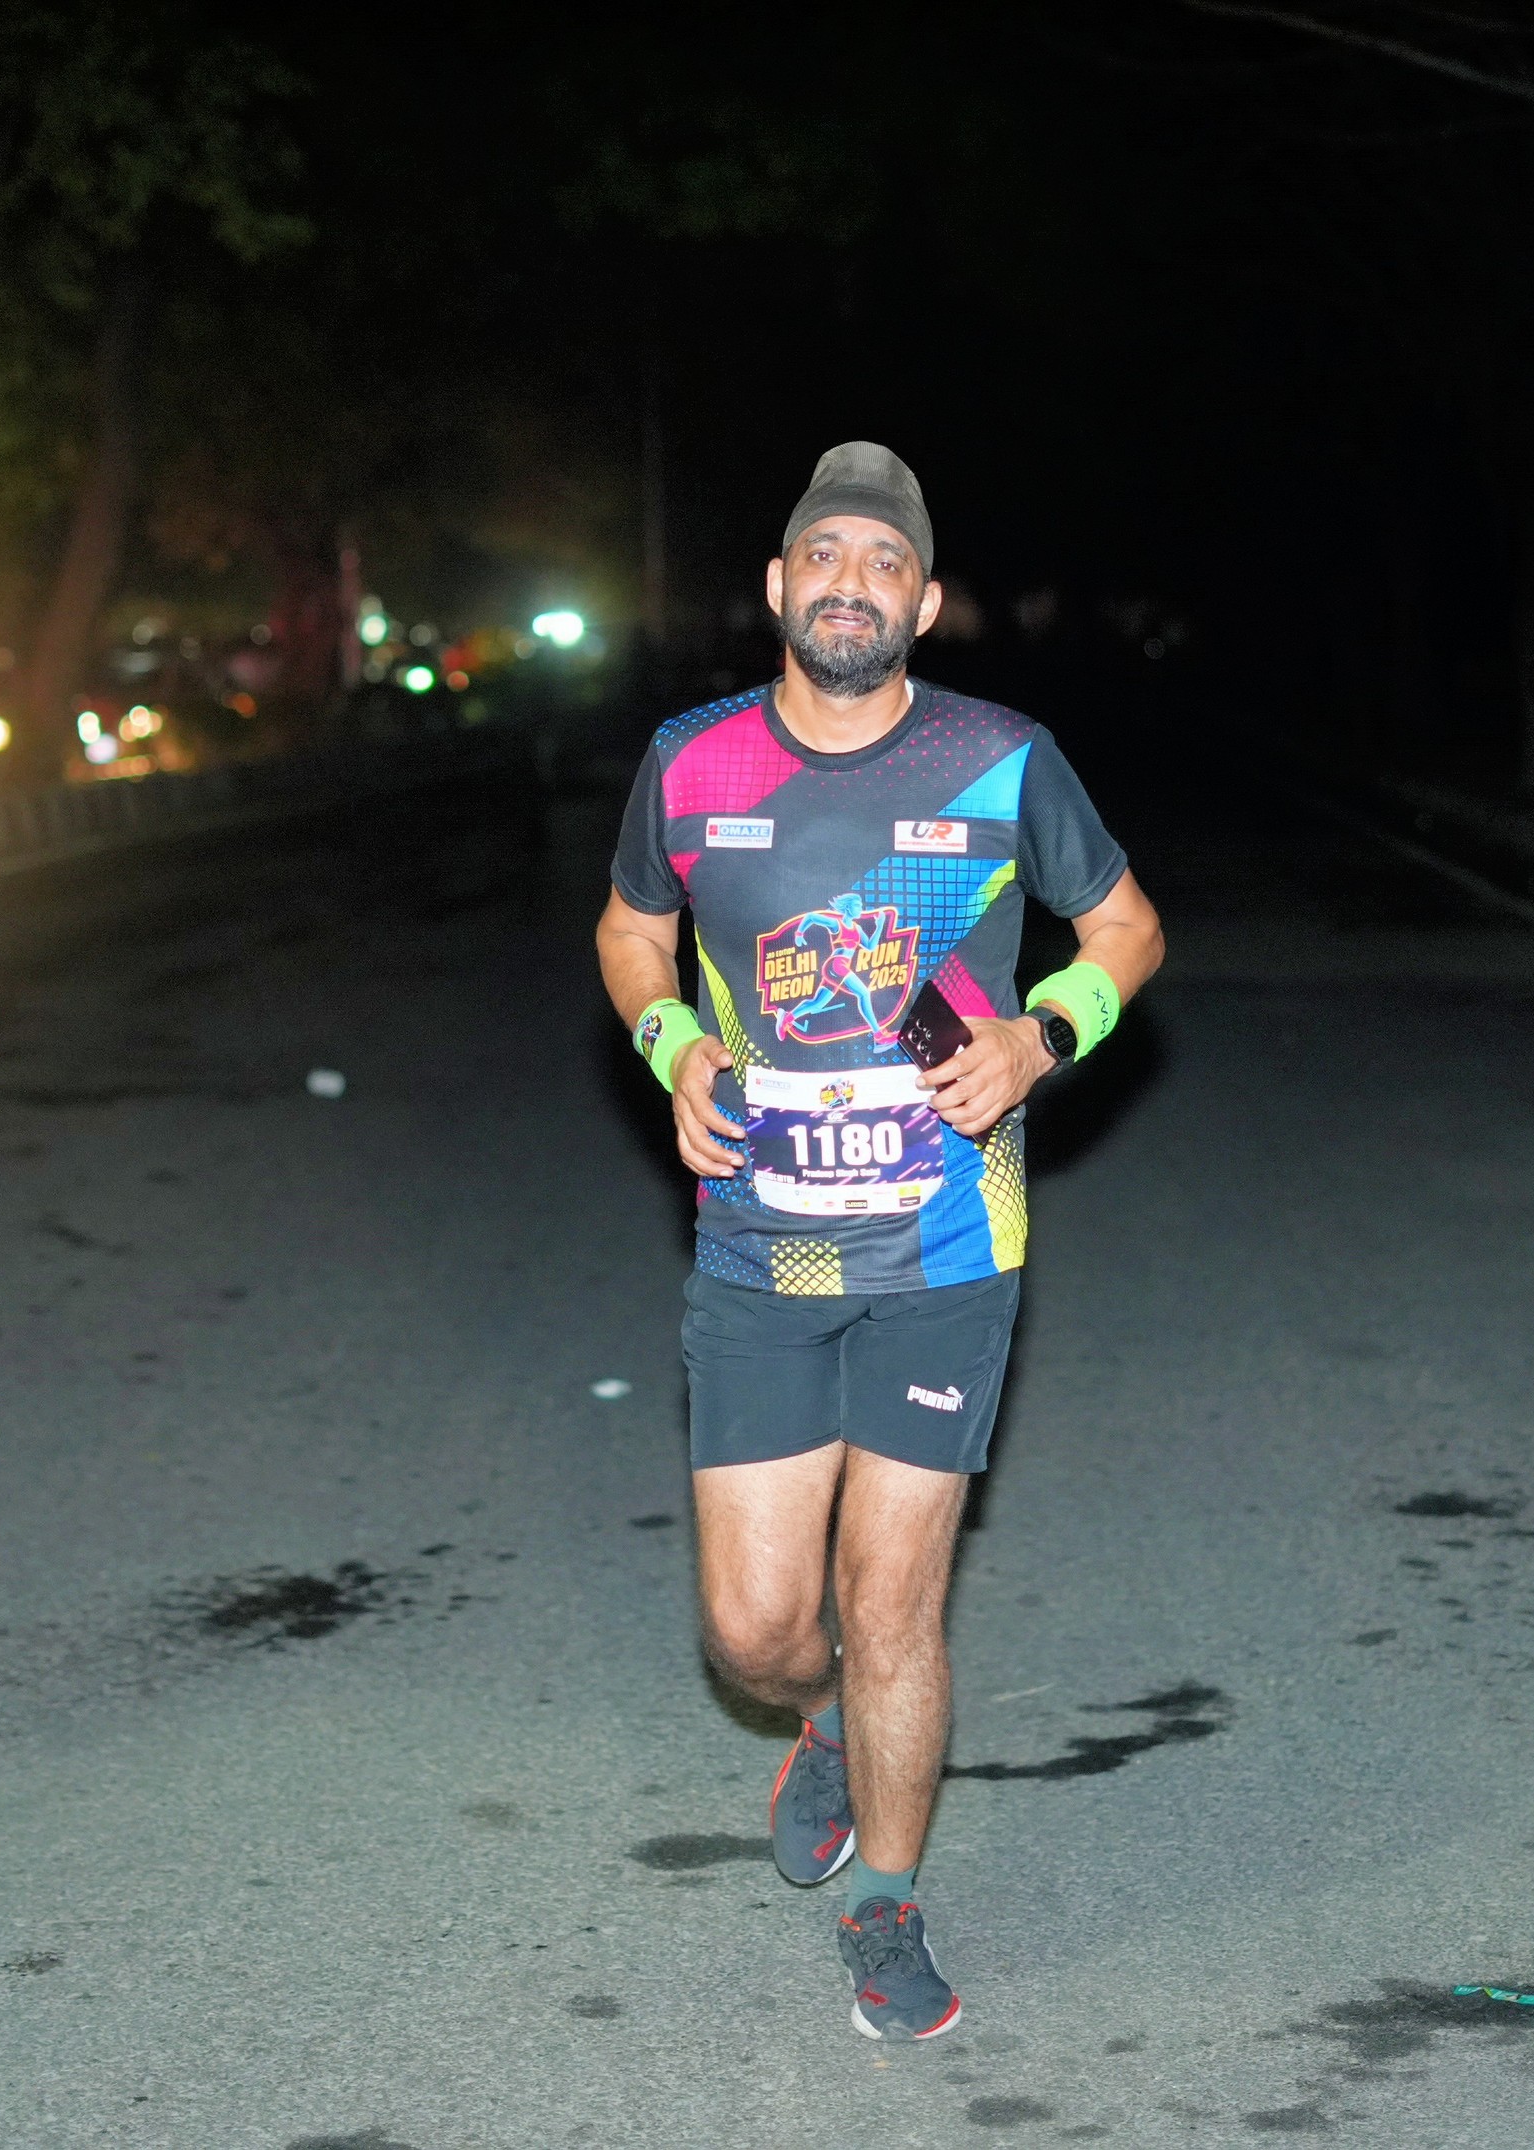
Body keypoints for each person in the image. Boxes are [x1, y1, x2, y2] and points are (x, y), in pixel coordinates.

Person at [595, 442, 1164, 2040]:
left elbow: (1126, 927)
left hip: (944, 1251)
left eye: (885, 561)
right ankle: (828, 1721)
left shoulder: (1001, 759)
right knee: (755, 1630)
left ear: (923, 602)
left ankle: (886, 1902)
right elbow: (631, 928)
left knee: (894, 1598)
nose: (852, 582)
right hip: (758, 1249)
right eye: (826, 555)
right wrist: (669, 1046)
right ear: (780, 585)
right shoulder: (690, 763)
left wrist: (1042, 1033)